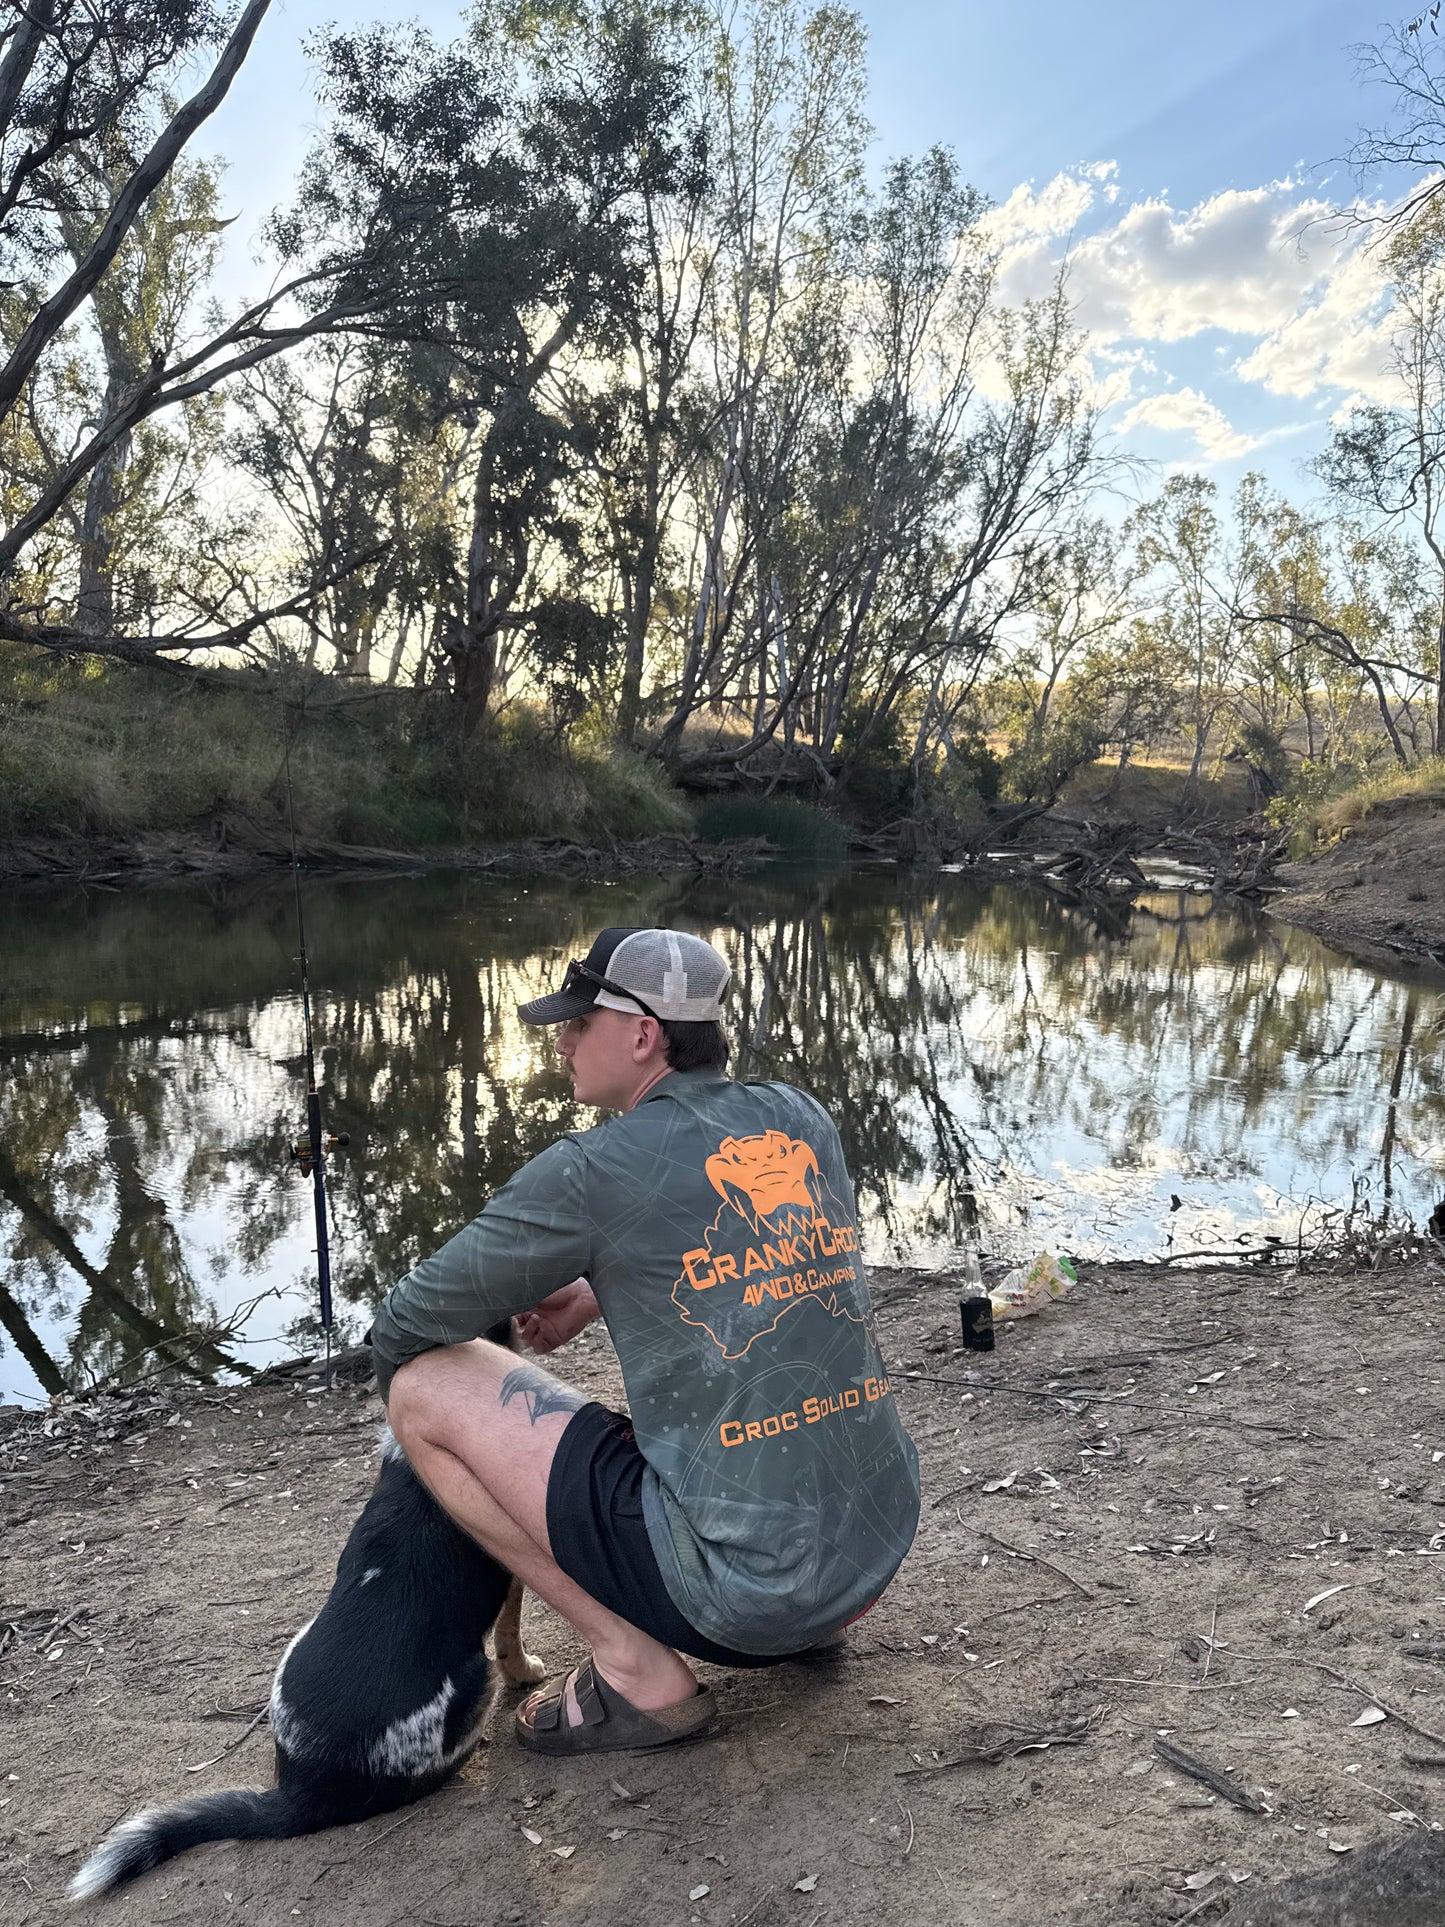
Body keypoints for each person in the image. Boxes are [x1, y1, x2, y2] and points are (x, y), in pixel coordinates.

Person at [370, 926, 920, 1755]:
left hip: (747, 1601)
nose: (561, 1039)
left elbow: (407, 1322)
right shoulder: (800, 1117)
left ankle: (634, 1669)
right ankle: (811, 1625)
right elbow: (761, 1249)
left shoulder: (592, 1167)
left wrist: (538, 1276)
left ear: (640, 1032)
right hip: (869, 1558)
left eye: (576, 1021)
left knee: (420, 1389)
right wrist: (595, 1286)